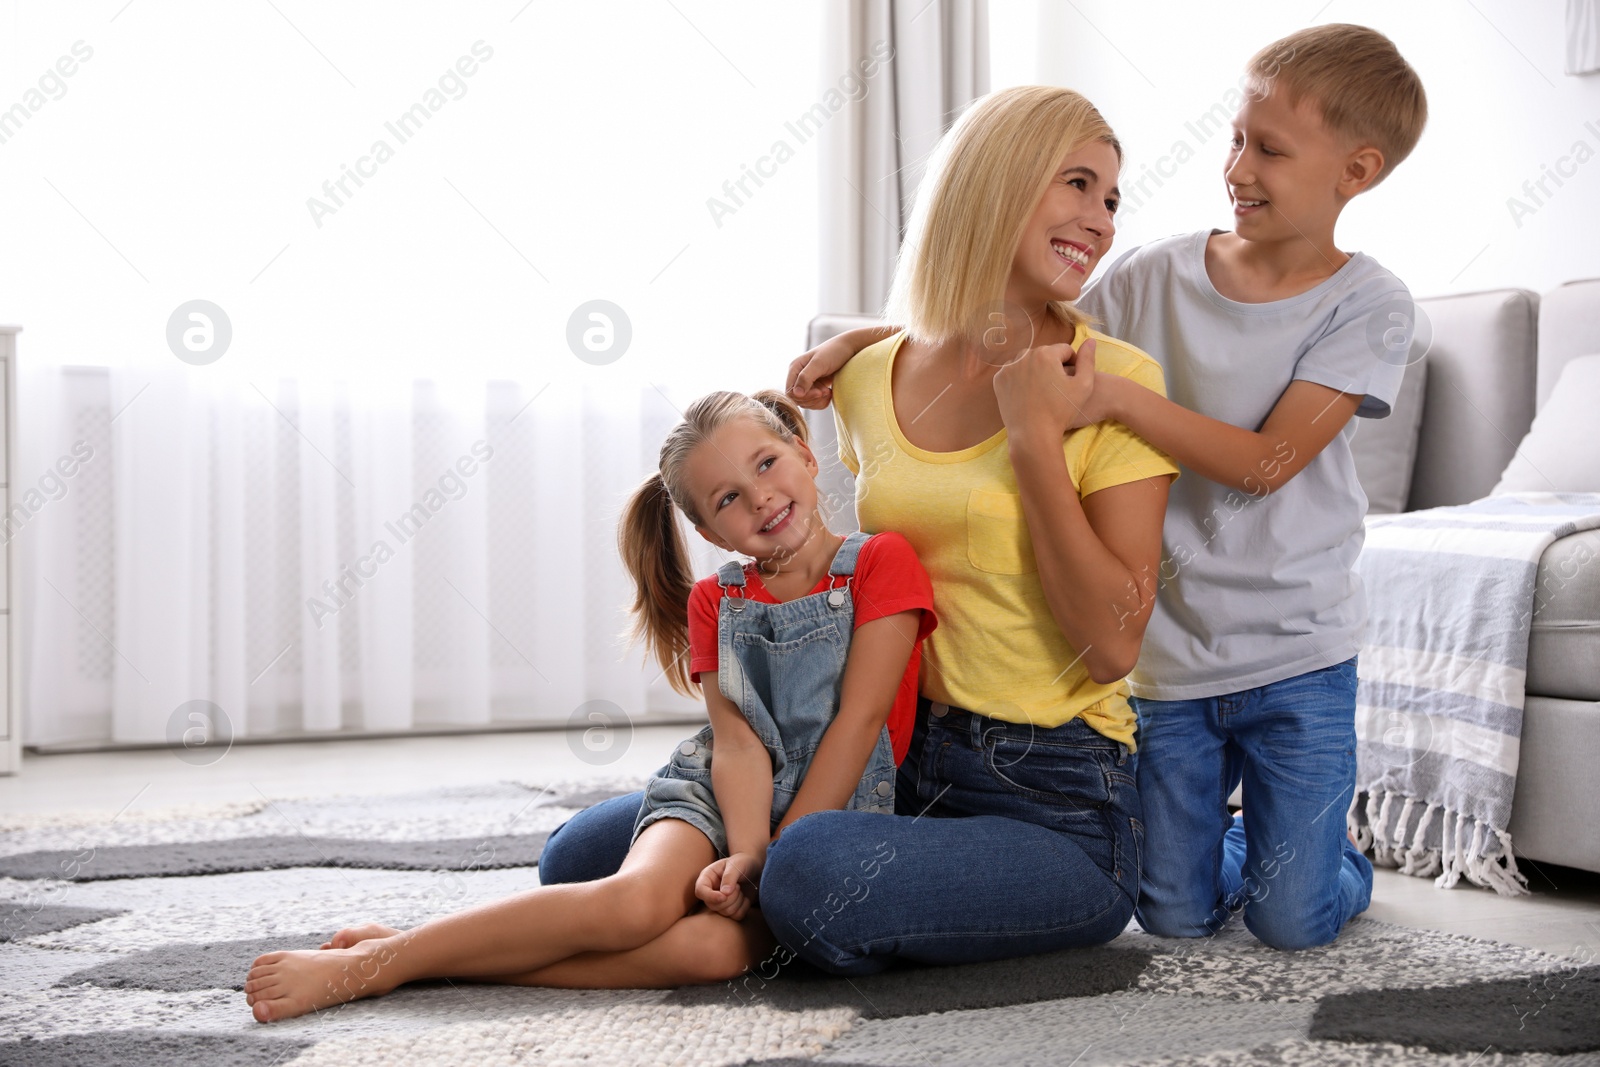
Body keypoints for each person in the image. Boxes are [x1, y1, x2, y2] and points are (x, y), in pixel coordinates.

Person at [789, 25, 1428, 951]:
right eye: (1237, 139)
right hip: (1170, 655)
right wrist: (868, 341)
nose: (1238, 166)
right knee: (1173, 909)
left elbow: (1264, 464)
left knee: (1292, 917)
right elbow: (1017, 316)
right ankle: (1265, 840)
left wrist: (1115, 401)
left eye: (1271, 149)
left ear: (1356, 171)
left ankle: (1331, 856)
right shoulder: (1153, 274)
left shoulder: (1367, 303)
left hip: (1296, 645)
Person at [539, 85, 1179, 976]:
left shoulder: (1113, 382)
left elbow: (1112, 646)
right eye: (1079, 184)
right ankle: (767, 913)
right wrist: (865, 342)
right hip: (890, 759)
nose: (1102, 221)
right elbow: (920, 346)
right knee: (574, 858)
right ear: (995, 182)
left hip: (1056, 800)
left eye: (1112, 198)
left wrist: (1034, 435)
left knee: (802, 869)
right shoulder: (872, 374)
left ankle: (463, 962)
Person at [243, 389, 936, 1019]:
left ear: (807, 456)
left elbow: (857, 721)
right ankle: (372, 966)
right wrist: (749, 850)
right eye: (726, 498)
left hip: (829, 816)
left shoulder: (881, 561)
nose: (758, 497)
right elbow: (737, 743)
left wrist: (776, 863)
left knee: (710, 954)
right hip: (720, 797)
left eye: (765, 463)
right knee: (633, 903)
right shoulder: (716, 601)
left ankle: (422, 960)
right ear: (710, 533)